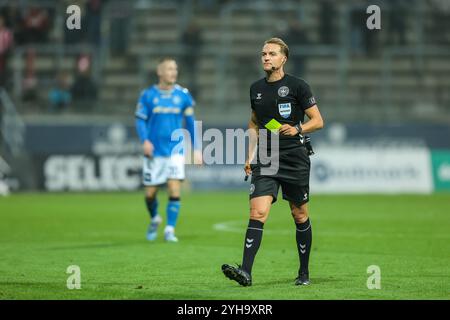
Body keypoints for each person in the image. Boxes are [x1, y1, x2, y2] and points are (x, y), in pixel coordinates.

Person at [221, 38, 324, 286]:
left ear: (283, 59)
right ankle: (245, 272)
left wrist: (298, 128)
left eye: (272, 54)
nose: (266, 57)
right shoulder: (256, 89)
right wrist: (249, 154)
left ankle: (304, 273)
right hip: (267, 156)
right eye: (263, 54)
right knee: (257, 212)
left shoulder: (298, 86)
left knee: (299, 214)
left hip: (295, 158)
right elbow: (254, 122)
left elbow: (318, 121)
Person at [135, 57, 202, 243]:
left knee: (174, 189)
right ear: (160, 72)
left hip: (175, 151)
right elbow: (140, 120)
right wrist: (145, 141)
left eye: (175, 69)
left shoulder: (183, 96)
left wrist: (196, 149)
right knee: (150, 194)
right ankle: (155, 218)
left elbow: (190, 123)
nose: (173, 72)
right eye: (170, 69)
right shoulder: (148, 95)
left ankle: (169, 230)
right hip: (154, 152)